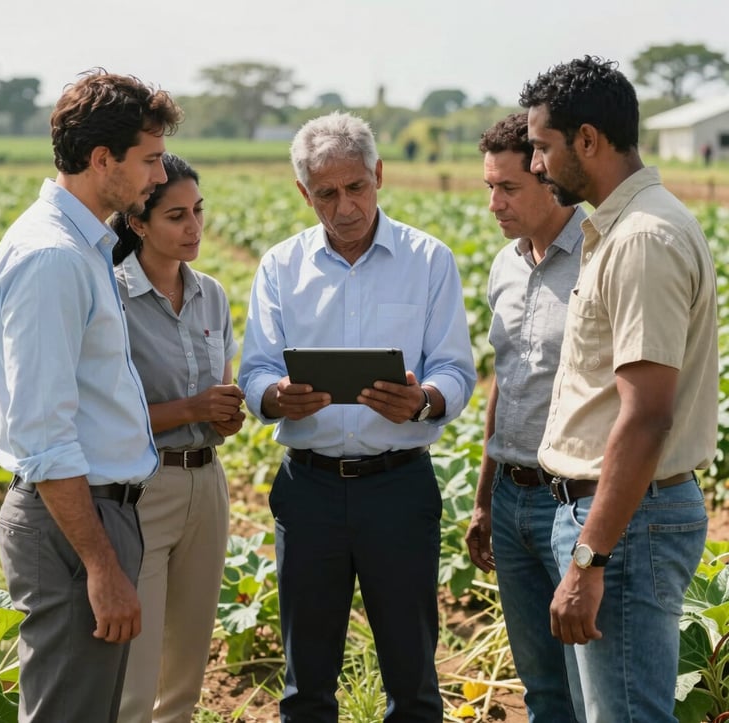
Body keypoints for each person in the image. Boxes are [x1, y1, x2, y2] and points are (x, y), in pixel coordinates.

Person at [238, 110, 477, 722]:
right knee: (306, 683)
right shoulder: (280, 267)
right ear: (303, 193)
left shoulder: (429, 260)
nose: (345, 206)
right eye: (326, 193)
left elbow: (454, 368)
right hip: (308, 488)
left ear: (379, 174)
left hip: (399, 486)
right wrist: (275, 397)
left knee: (414, 678)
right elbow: (257, 369)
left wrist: (423, 400)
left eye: (356, 188)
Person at [520, 55, 717, 722]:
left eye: (543, 147)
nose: (536, 165)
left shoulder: (642, 239)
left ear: (587, 140)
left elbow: (646, 417)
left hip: (625, 525)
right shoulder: (620, 228)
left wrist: (588, 558)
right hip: (613, 520)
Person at [0, 70, 182, 723]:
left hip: (90, 512)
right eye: (149, 160)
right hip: (73, 520)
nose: (159, 176)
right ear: (102, 160)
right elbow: (44, 433)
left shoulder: (85, 243)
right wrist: (101, 563)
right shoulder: (55, 257)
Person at [109, 153, 245, 722]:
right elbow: (108, 415)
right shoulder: (110, 297)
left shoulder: (211, 294)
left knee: (188, 669)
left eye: (198, 212)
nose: (193, 228)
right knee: (137, 679)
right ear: (138, 223)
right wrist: (191, 407)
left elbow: (223, 391)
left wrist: (226, 416)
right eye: (175, 216)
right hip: (143, 490)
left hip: (207, 484)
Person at [464, 112, 586, 722]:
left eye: (507, 188)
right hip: (512, 501)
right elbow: (503, 382)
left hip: (576, 502)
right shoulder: (504, 266)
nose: (494, 203)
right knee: (541, 689)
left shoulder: (602, 256)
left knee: (594, 691)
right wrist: (485, 499)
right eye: (489, 187)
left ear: (547, 175)